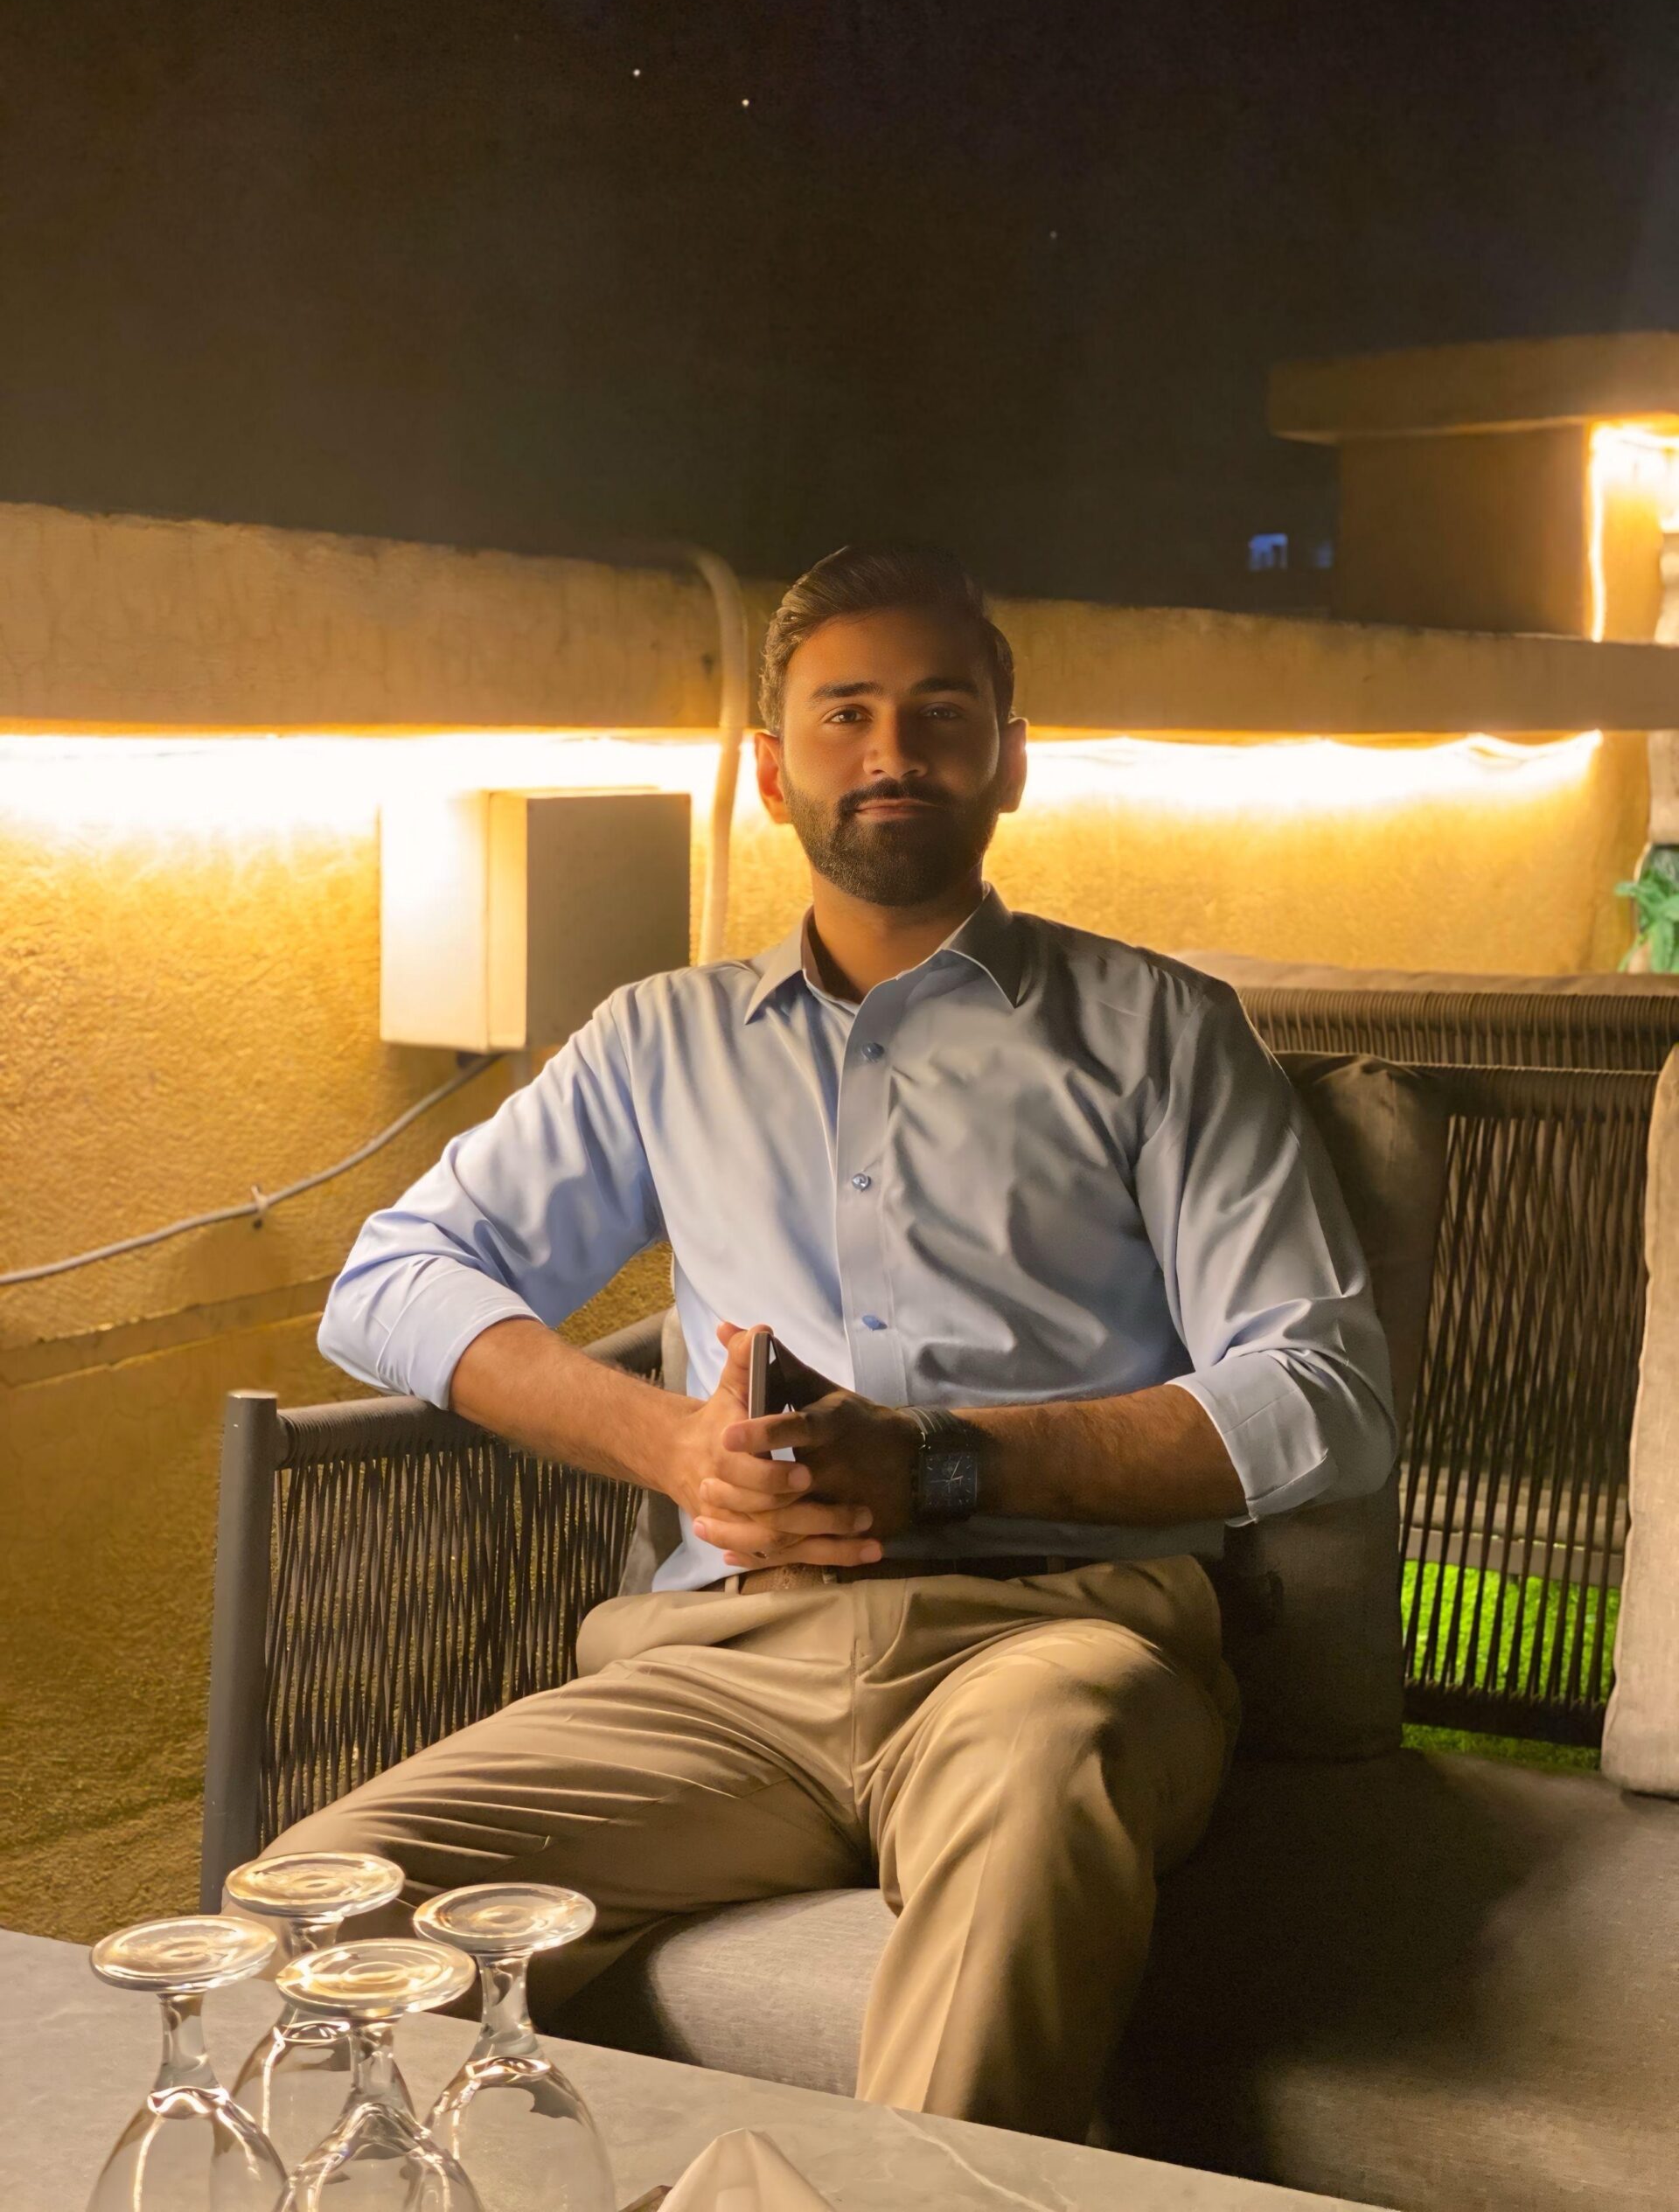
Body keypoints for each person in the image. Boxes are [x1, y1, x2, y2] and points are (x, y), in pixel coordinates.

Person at [265, 543, 1395, 2143]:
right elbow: (388, 1278)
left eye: (942, 713)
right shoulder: (659, 1041)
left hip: (1052, 1647)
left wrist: (942, 1462)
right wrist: (673, 1446)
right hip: (726, 1673)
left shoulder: (1161, 1031)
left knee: (1038, 1774)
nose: (891, 752)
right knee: (312, 1910)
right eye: (845, 713)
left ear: (1011, 756)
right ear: (770, 766)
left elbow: (1322, 1394)